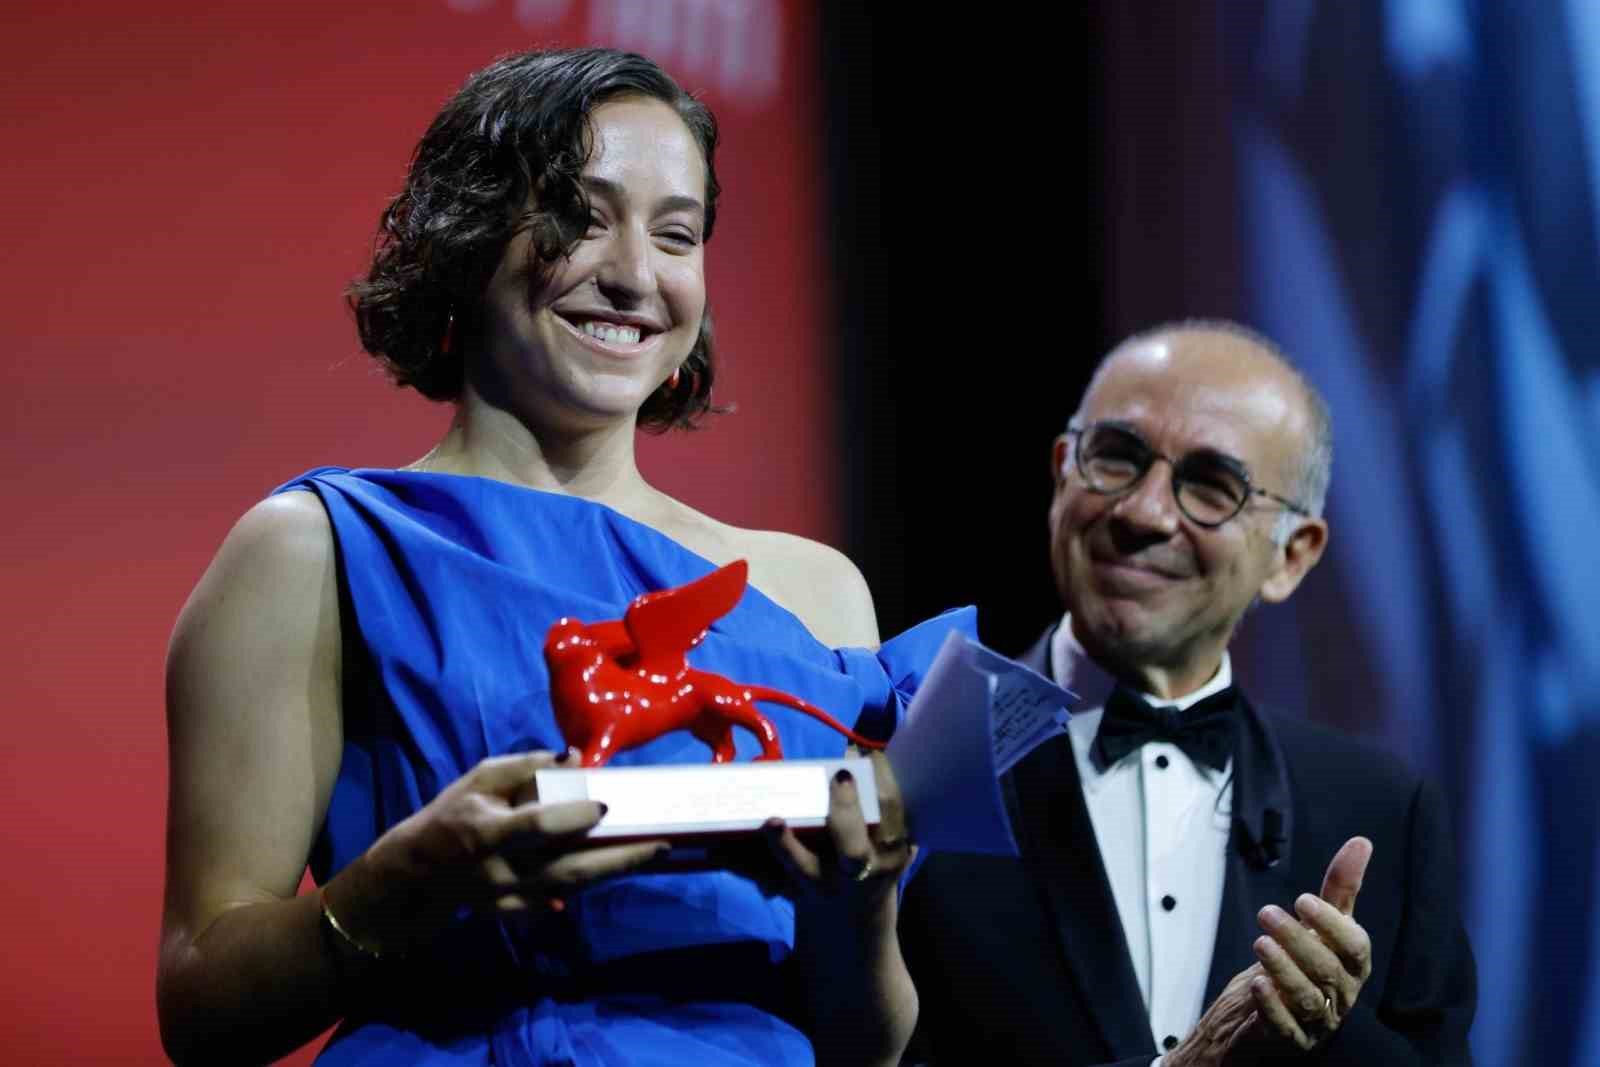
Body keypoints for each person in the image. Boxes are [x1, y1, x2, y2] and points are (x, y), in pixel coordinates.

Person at [157, 48, 967, 1067]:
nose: (634, 274)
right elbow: (201, 1006)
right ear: (464, 235)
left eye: (676, 234)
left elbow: (865, 1044)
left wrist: (858, 908)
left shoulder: (817, 589)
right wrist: (396, 892)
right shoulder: (318, 549)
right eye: (582, 217)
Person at [897, 322, 1476, 1066]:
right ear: (1062, 472)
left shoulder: (1383, 811)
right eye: (1115, 456)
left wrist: (1333, 1032)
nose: (1143, 513)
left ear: (1292, 556)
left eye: (1210, 485)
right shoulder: (917, 759)